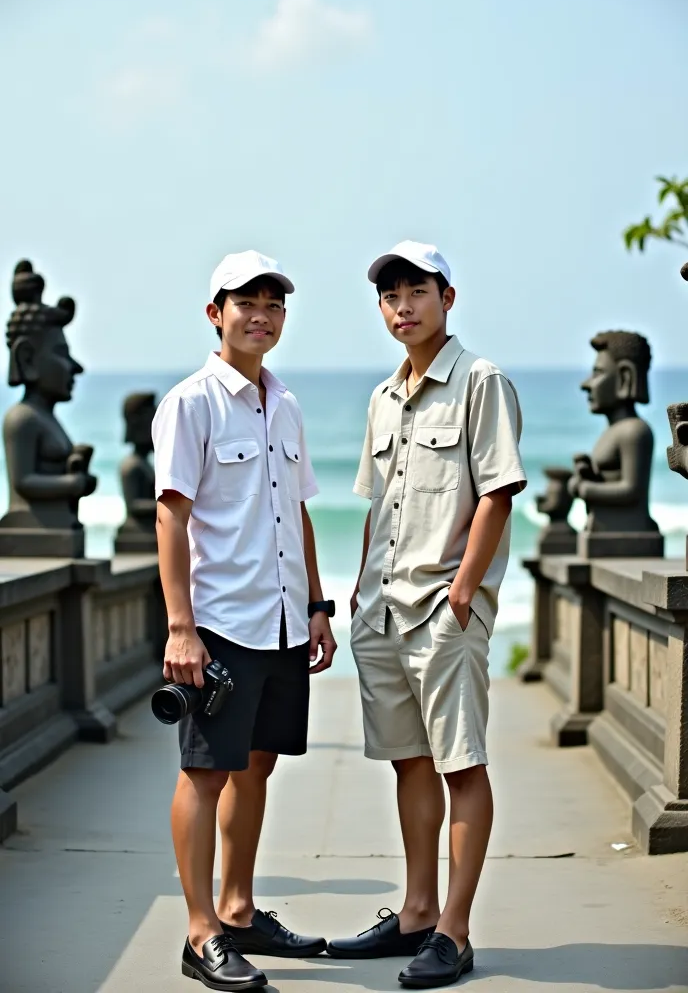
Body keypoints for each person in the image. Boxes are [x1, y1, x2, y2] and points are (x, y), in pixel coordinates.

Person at [326, 241, 527, 989]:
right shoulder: (384, 396)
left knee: (461, 762)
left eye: (416, 290)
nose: (402, 305)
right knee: (409, 760)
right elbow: (381, 502)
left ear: (448, 296)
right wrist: (357, 589)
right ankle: (416, 911)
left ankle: (455, 931)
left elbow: (497, 492)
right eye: (389, 296)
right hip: (381, 608)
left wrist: (465, 591)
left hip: (444, 606)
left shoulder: (481, 381)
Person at [152, 250, 337, 991]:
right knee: (205, 770)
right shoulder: (191, 403)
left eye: (274, 304)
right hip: (220, 622)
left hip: (284, 621)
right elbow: (172, 516)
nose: (261, 315)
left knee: (256, 766)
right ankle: (201, 936)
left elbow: (296, 511)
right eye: (245, 303)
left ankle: (237, 907)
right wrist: (179, 626)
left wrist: (318, 605)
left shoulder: (283, 403)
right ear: (215, 314)